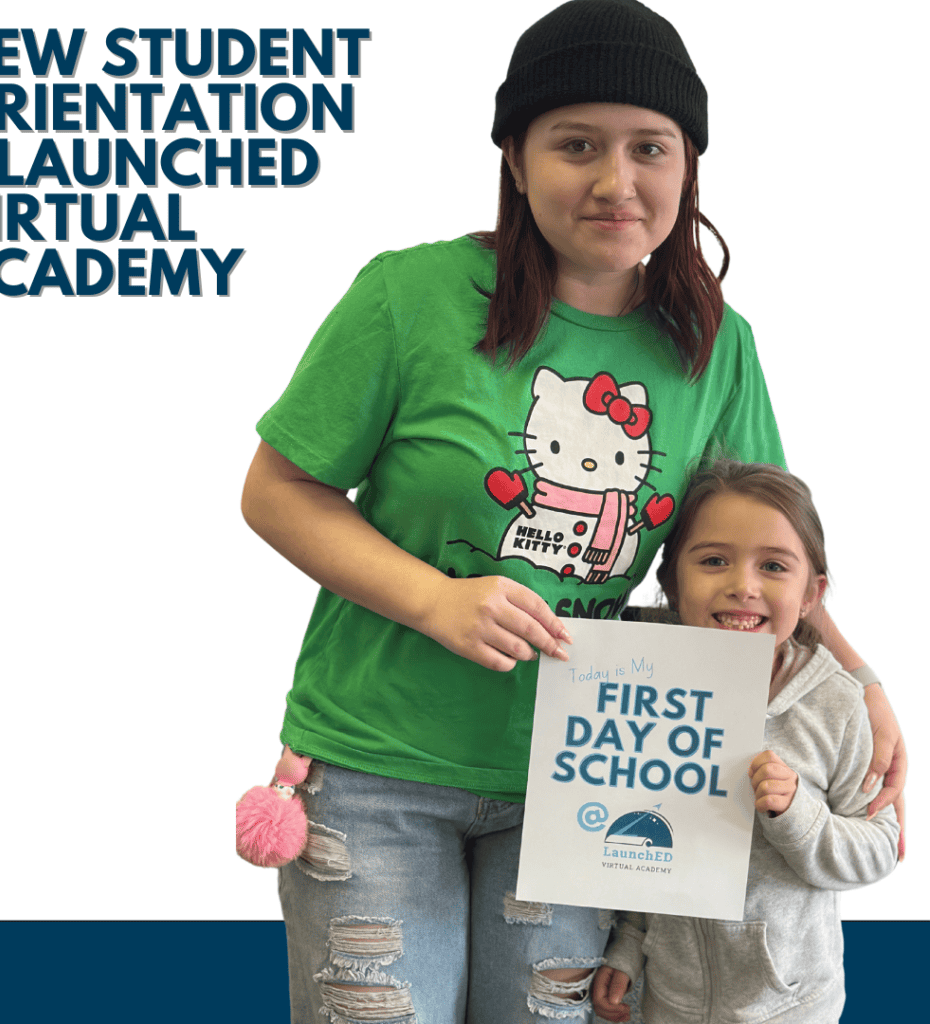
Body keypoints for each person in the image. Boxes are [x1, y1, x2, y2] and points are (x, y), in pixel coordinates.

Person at [241, 2, 905, 1019]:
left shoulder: (713, 345)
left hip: (586, 785)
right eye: (575, 144)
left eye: (650, 147)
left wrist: (854, 681)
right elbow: (277, 491)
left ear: (688, 166)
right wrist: (435, 600)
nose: (615, 181)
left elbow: (756, 557)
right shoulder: (408, 298)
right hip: (376, 767)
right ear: (514, 158)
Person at [590, 461, 900, 1023]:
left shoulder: (835, 703)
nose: (743, 585)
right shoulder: (644, 684)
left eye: (774, 566)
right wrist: (630, 946)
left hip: (790, 1003)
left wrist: (798, 813)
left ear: (812, 595)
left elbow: (879, 846)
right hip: (670, 998)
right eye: (713, 560)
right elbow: (641, 836)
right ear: (670, 582)